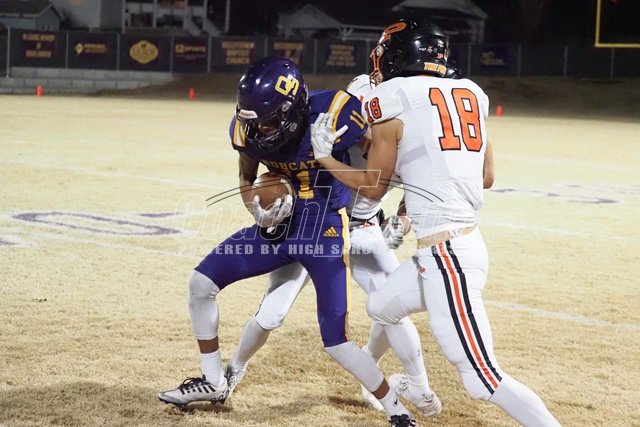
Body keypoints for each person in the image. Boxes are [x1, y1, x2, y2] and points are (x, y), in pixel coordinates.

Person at [310, 19, 561, 427]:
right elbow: (486, 176)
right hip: (455, 245)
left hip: (448, 255)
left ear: (399, 55)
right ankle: (412, 386)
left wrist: (325, 157)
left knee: (483, 380)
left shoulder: (390, 95)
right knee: (381, 306)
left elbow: (373, 186)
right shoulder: (472, 93)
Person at [158, 57, 417, 427]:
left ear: (291, 111)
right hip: (280, 229)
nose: (257, 130)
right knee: (201, 283)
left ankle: (397, 409)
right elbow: (247, 180)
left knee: (336, 340)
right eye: (252, 121)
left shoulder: (334, 112)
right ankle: (214, 381)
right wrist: (257, 211)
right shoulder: (247, 130)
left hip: (325, 231)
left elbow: (381, 160)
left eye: (266, 121)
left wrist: (393, 212)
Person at [223, 73, 442, 418]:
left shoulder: (405, 137)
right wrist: (261, 206)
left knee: (392, 309)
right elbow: (262, 170)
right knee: (272, 314)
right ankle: (234, 367)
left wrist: (402, 222)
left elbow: (417, 189)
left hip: (364, 228)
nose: (368, 118)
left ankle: (416, 386)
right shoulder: (338, 120)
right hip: (312, 225)